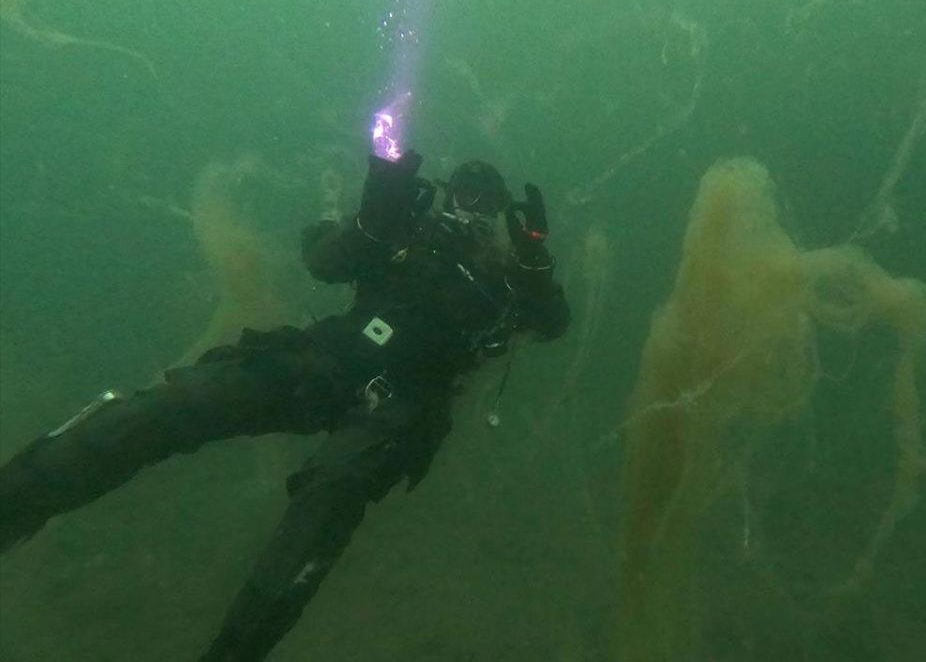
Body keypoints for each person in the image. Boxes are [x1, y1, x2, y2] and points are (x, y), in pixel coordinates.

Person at [0, 149, 570, 661]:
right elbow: (325, 262)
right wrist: (377, 211)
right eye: (464, 193)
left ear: (499, 214)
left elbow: (550, 324)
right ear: (446, 192)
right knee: (178, 403)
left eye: (486, 202)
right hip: (325, 359)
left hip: (407, 402)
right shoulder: (402, 230)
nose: (470, 210)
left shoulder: (504, 273)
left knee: (333, 488)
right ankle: (14, 502)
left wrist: (536, 263)